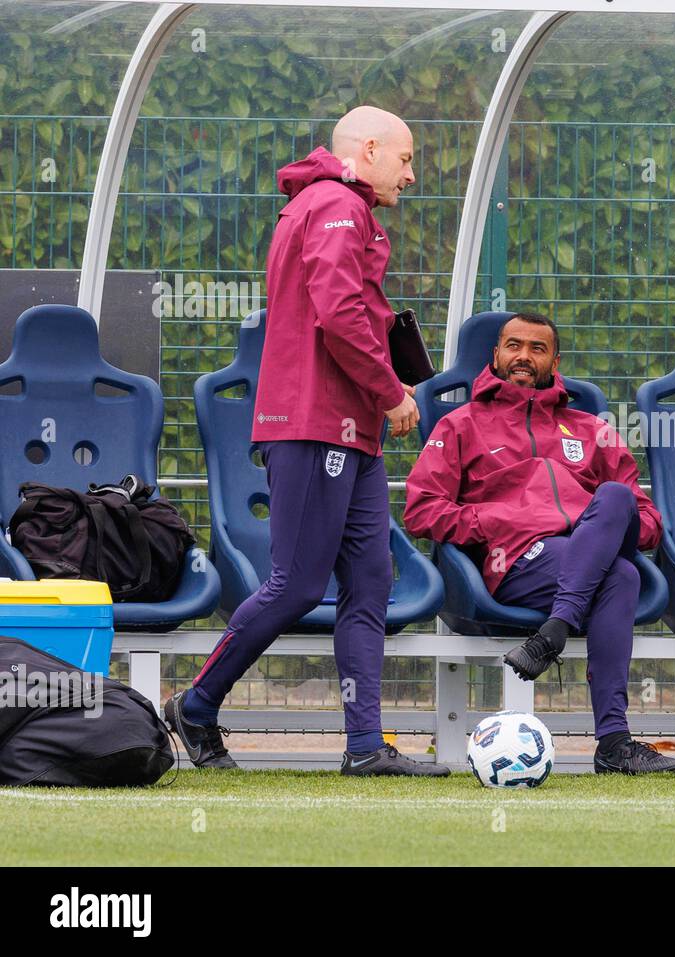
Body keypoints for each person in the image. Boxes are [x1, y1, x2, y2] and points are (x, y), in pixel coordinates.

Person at [163, 106, 445, 777]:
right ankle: (197, 704)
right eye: (404, 159)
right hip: (318, 422)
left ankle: (365, 745)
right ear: (369, 149)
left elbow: (347, 308)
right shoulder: (336, 206)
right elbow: (340, 313)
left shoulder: (329, 205)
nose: (411, 174)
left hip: (349, 429)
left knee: (371, 579)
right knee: (294, 585)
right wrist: (390, 390)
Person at [404, 313, 675, 775]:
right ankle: (614, 744)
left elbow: (647, 518)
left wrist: (601, 531)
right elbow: (420, 510)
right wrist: (494, 521)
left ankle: (554, 635)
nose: (523, 356)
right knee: (621, 575)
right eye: (513, 346)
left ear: (555, 361)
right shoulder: (461, 424)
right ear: (495, 355)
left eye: (537, 349)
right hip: (515, 561)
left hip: (581, 558)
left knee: (616, 505)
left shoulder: (591, 429)